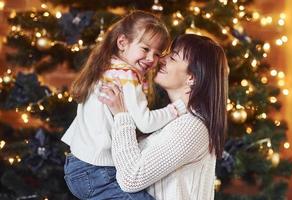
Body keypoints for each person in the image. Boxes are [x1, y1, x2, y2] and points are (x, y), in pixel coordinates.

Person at [61, 10, 186, 200]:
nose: (152, 59)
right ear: (122, 43)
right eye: (145, 49)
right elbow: (145, 122)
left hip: (76, 166)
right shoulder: (126, 76)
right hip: (97, 172)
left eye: (157, 53)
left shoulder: (107, 67)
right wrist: (175, 109)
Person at [99, 34, 228, 200]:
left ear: (192, 78)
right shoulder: (169, 118)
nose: (161, 59)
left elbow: (131, 178)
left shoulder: (192, 126)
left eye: (173, 57)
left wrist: (121, 116)